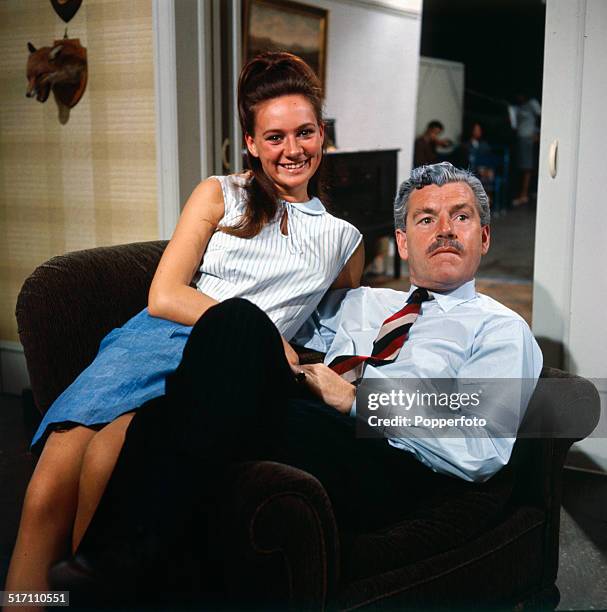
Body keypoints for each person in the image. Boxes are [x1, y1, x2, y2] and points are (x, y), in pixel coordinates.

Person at [61, 162, 541, 606]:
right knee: (236, 322)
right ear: (400, 240)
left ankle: (112, 570)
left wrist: (356, 400)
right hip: (312, 419)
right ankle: (130, 567)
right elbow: (273, 306)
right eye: (425, 219)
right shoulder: (365, 303)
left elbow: (481, 446)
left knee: (176, 417)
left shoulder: (500, 329)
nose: (443, 231)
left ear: (484, 237)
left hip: (391, 459)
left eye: (460, 217)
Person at [5, 51, 364, 601]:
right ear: (250, 142)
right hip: (153, 338)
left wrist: (305, 362)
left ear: (323, 134)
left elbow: (343, 317)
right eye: (274, 137)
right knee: (46, 489)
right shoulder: (220, 193)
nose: (292, 150)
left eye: (305, 132)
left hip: (222, 363)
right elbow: (164, 294)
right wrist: (270, 336)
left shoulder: (344, 239)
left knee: (105, 468)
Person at [511, 93, 541, 206]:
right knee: (522, 166)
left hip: (529, 138)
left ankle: (524, 195)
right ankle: (524, 194)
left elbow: (541, 116)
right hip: (521, 138)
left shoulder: (532, 103)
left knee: (527, 167)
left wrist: (538, 133)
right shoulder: (518, 107)